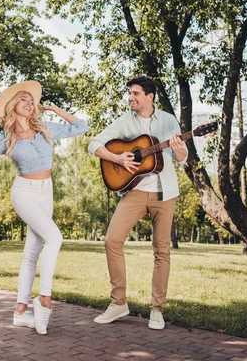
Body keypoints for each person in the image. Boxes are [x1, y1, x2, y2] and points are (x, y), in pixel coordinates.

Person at [0, 81, 88, 335]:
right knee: (54, 237)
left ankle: (20, 312)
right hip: (24, 193)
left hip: (46, 193)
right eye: (24, 100)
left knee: (32, 252)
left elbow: (80, 126)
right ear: (12, 107)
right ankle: (44, 299)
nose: (29, 104)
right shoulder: (6, 138)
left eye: (32, 101)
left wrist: (53, 109)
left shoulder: (44, 129)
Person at [88, 75, 187, 330]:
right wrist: (118, 159)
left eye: (135, 94)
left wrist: (178, 149)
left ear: (149, 96)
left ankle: (156, 309)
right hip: (133, 192)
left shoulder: (168, 121)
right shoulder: (125, 120)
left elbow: (182, 157)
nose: (130, 98)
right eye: (129, 94)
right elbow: (94, 143)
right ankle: (118, 303)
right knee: (112, 240)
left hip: (165, 193)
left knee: (161, 250)